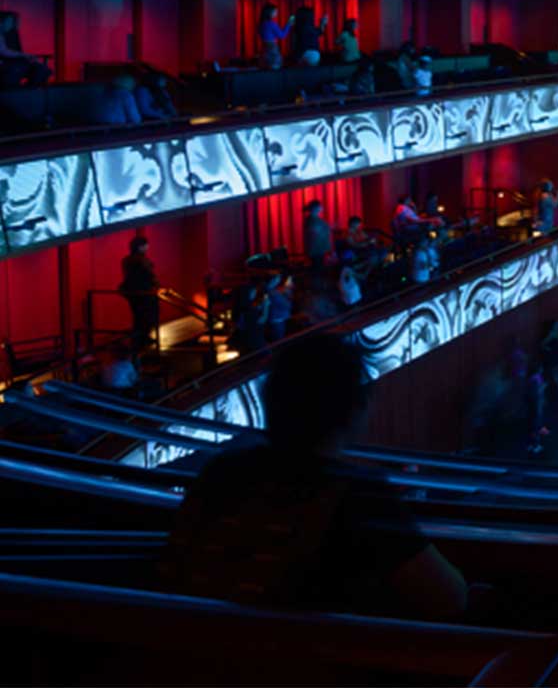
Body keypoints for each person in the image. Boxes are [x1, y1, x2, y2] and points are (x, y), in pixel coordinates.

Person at [161, 334, 470, 616]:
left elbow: (174, 568)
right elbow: (450, 597)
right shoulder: (358, 494)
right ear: (353, 410)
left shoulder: (221, 471)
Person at [119, 234, 159, 351]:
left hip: (132, 293)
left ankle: (139, 339)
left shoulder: (126, 260)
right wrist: (156, 284)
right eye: (146, 245)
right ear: (140, 247)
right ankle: (144, 338)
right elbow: (150, 274)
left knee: (138, 316)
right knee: (147, 316)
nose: (148, 247)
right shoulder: (142, 260)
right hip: (145, 293)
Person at [0, 10, 52, 89]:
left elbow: (7, 51)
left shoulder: (6, 34)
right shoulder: (6, 35)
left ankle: (28, 90)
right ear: (1, 22)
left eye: (12, 21)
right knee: (16, 71)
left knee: (41, 69)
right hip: (9, 64)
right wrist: (24, 56)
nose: (10, 24)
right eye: (9, 21)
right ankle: (25, 91)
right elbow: (4, 51)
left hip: (13, 62)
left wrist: (27, 57)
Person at [301, 201, 333, 268]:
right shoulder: (311, 220)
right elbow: (314, 232)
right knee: (317, 267)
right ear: (316, 208)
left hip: (318, 247)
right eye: (320, 206)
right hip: (316, 248)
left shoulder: (313, 218)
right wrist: (327, 229)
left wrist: (328, 228)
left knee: (319, 265)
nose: (322, 208)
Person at [257, 3, 288, 70]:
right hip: (272, 46)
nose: (276, 13)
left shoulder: (261, 23)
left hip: (264, 46)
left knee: (265, 66)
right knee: (274, 66)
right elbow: (282, 35)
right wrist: (289, 24)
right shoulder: (271, 23)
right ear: (269, 12)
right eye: (275, 11)